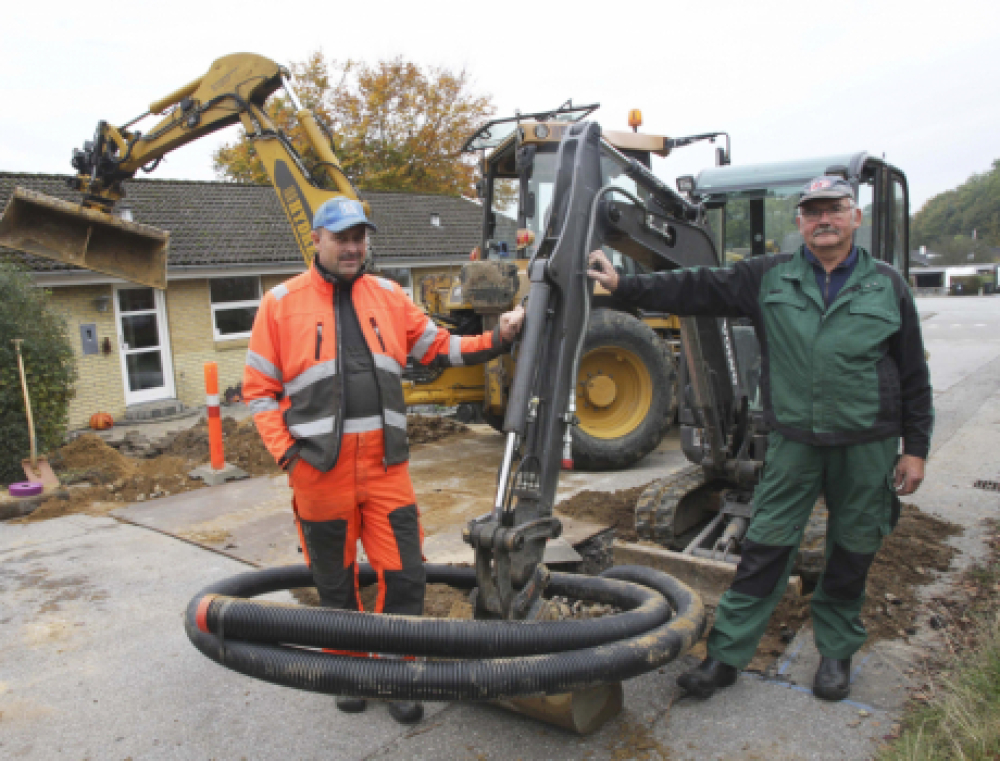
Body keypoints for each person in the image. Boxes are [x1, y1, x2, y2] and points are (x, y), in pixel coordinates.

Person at [587, 176, 933, 702]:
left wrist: (916, 449)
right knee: (765, 547)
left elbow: (913, 374)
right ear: (800, 222)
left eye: (834, 210)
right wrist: (625, 286)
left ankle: (836, 653)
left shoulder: (887, 285)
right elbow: (697, 286)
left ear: (854, 217)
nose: (824, 220)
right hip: (794, 442)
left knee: (853, 548)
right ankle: (725, 657)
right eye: (813, 212)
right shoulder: (770, 276)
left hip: (867, 443)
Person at [243, 198, 525, 724]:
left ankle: (398, 673)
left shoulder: (391, 296)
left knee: (405, 575)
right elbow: (259, 391)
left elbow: (441, 348)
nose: (353, 248)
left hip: (385, 469)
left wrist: (499, 337)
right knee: (334, 584)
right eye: (342, 238)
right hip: (317, 473)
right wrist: (288, 456)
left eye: (360, 238)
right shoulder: (279, 304)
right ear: (317, 240)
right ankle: (349, 673)